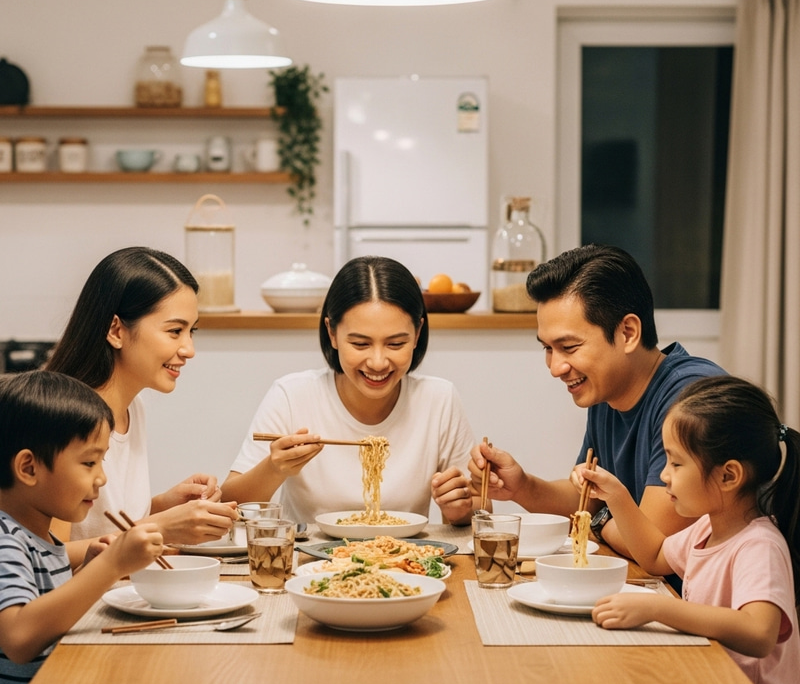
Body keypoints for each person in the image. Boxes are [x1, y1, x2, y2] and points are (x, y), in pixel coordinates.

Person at [469, 244, 727, 560]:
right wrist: (522, 486)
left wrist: (598, 518)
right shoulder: (606, 392)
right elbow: (585, 499)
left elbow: (653, 542)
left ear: (628, 333)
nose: (555, 368)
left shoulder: (691, 397)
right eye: (548, 349)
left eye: (569, 347)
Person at [586, 375, 800, 684]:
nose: (664, 476)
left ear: (729, 475)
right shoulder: (706, 528)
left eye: (676, 463)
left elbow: (760, 632)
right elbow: (654, 555)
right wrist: (618, 496)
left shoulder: (758, 546)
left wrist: (659, 608)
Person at [222, 255, 479, 526]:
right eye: (360, 344)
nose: (378, 362)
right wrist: (273, 469)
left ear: (417, 334)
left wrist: (460, 509)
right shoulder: (292, 395)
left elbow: (479, 507)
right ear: (331, 333)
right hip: (308, 564)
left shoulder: (438, 399)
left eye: (395, 344)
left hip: (407, 562)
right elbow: (228, 506)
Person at [45, 246, 236, 562]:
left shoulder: (134, 408)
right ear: (116, 330)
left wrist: (164, 506)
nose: (189, 349)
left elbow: (100, 523)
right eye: (175, 331)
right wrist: (161, 525)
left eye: (192, 331)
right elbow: (48, 557)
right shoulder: (66, 420)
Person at [0, 371, 164, 684]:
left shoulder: (37, 536)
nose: (101, 477)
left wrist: (86, 570)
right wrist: (110, 566)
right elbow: (18, 638)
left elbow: (43, 604)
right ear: (28, 467)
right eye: (90, 463)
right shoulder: (5, 540)